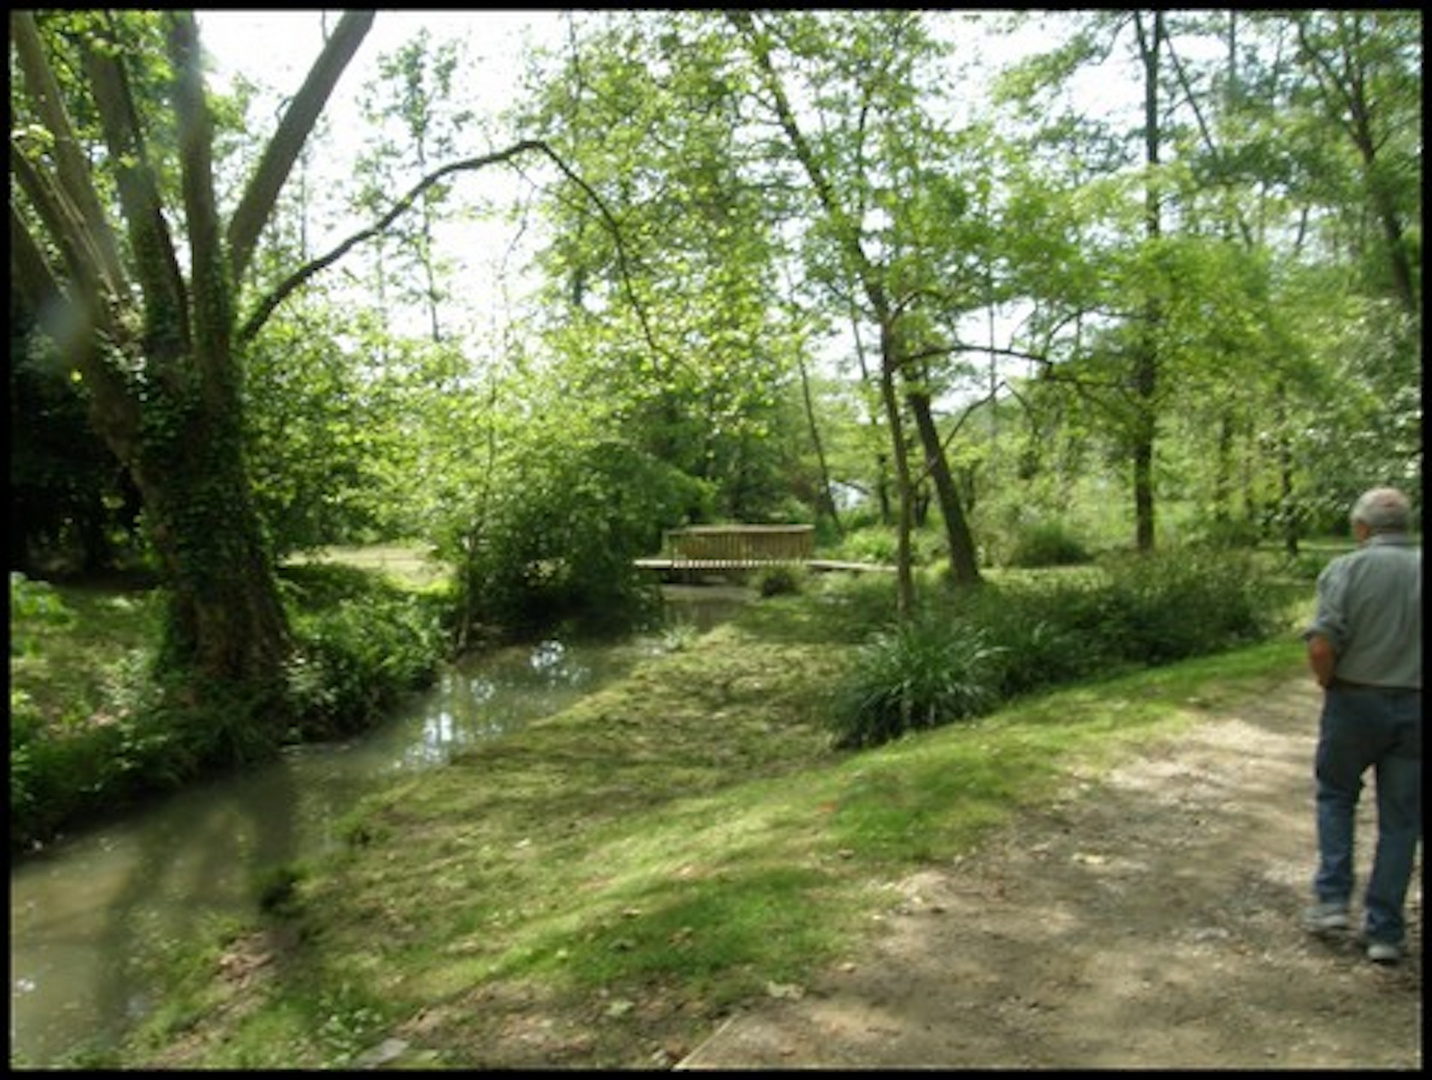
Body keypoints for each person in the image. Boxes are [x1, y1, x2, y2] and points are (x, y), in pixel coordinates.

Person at [1301, 486, 1421, 964]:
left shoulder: (1345, 570)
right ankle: (1385, 931)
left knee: (1336, 796)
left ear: (1362, 528)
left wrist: (1329, 684)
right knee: (1402, 820)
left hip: (1353, 699)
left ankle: (1332, 903)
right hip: (1416, 706)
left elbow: (1320, 645)